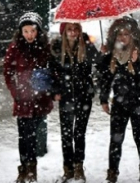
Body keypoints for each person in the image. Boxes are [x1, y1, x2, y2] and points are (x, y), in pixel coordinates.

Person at [97, 17, 140, 183]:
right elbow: (105, 77)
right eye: (119, 34)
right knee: (115, 140)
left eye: (126, 34)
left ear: (133, 35)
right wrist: (102, 57)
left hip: (139, 103)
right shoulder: (113, 55)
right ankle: (112, 173)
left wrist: (136, 64)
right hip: (119, 104)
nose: (122, 37)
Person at [3, 12, 54, 183]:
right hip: (22, 99)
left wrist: (49, 89)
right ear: (21, 32)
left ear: (38, 31)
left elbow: (54, 69)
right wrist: (15, 92)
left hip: (39, 98)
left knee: (31, 134)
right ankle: (24, 168)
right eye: (26, 31)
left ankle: (31, 169)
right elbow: (8, 72)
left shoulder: (46, 47)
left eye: (32, 31)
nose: (29, 35)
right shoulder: (15, 47)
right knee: (23, 135)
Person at [50, 22, 101, 183]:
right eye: (69, 30)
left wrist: (103, 54)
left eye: (76, 29)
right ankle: (68, 168)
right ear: (64, 31)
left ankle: (79, 166)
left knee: (79, 133)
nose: (73, 33)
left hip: (83, 96)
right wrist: (54, 91)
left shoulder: (86, 44)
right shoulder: (57, 47)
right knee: (66, 134)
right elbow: (52, 72)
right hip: (65, 97)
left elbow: (99, 63)